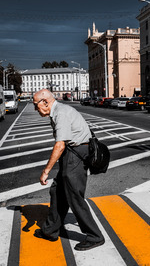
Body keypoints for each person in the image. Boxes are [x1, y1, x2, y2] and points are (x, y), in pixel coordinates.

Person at [33, 89, 105, 251]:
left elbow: (60, 145)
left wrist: (46, 171)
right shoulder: (58, 111)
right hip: (72, 154)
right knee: (57, 191)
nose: (35, 109)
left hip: (76, 155)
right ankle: (50, 230)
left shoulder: (61, 113)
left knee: (74, 196)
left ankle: (95, 236)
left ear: (45, 102)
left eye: (35, 104)